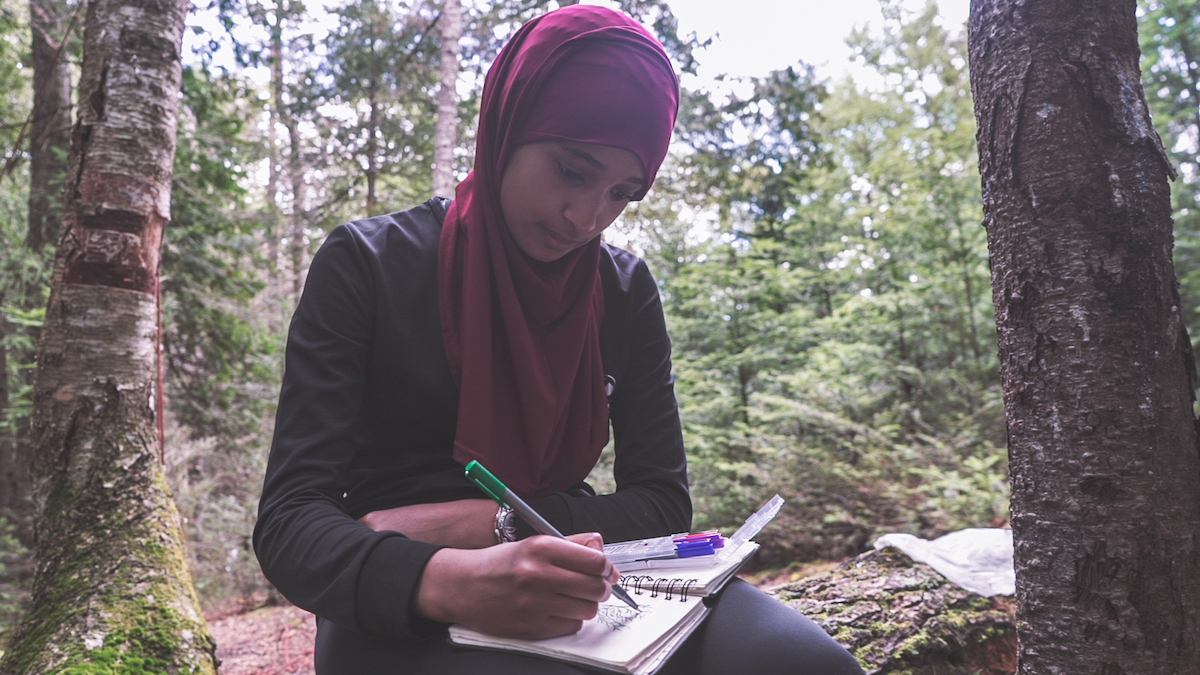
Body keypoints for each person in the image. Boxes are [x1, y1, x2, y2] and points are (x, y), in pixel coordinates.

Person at [253, 5, 864, 675]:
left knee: (808, 665)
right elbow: (290, 520)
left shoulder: (623, 291)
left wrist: (494, 523)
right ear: (508, 126)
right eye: (572, 170)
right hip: (401, 590)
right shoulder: (370, 264)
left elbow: (662, 499)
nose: (587, 216)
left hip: (590, 573)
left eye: (623, 192)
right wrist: (448, 576)